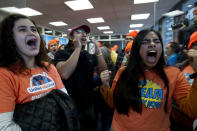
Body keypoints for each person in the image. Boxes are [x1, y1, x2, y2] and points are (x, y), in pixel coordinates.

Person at [99, 29, 197, 131]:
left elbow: (192, 110)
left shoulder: (174, 74)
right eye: (145, 42)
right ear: (137, 48)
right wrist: (105, 86)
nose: (152, 44)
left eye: (156, 41)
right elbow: (113, 103)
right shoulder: (124, 72)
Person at [0, 14, 68, 130]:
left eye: (33, 29)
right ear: (9, 38)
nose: (31, 33)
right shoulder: (5, 75)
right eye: (22, 30)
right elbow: (5, 126)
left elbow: (65, 103)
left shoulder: (49, 68)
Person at [54, 25, 107, 131]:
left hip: (88, 103)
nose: (84, 34)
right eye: (79, 32)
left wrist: (98, 51)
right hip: (69, 104)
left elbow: (103, 71)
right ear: (70, 37)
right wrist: (77, 48)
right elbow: (64, 74)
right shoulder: (62, 53)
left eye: (86, 33)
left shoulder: (88, 54)